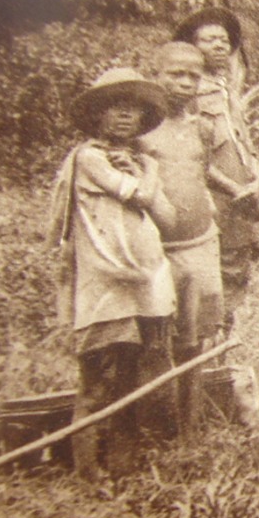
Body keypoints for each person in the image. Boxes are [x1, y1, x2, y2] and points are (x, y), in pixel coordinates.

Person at [50, 68, 176, 479]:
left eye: (133, 110)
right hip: (104, 287)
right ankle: (88, 470)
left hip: (140, 283)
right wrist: (150, 171)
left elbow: (164, 214)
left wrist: (142, 166)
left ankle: (123, 467)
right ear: (97, 116)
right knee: (95, 383)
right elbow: (140, 195)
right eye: (114, 109)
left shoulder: (135, 161)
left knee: (129, 380)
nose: (125, 117)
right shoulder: (88, 158)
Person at [138, 41, 224, 437]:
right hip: (157, 251)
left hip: (200, 244)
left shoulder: (202, 128)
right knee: (155, 340)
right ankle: (157, 424)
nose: (186, 82)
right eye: (176, 73)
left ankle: (190, 425)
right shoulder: (140, 133)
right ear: (156, 75)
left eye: (194, 74)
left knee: (195, 340)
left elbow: (202, 176)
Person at [173, 6, 259, 331]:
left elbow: (242, 143)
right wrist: (234, 188)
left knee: (235, 279)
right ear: (192, 46)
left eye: (223, 40)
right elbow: (195, 157)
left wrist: (257, 177)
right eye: (208, 40)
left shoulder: (226, 90)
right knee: (209, 287)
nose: (219, 46)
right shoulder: (188, 91)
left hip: (240, 206)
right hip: (212, 203)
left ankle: (223, 354)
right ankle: (209, 358)